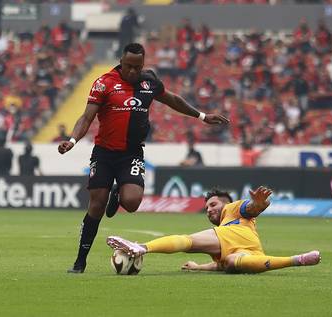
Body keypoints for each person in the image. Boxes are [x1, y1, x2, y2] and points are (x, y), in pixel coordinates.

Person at [58, 43, 229, 273]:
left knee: (131, 203)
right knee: (96, 205)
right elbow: (87, 117)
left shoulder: (149, 83)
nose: (132, 71)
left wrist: (202, 116)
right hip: (105, 152)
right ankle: (80, 262)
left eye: (137, 67)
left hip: (132, 153)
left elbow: (172, 99)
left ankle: (118, 192)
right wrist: (73, 140)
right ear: (121, 61)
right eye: (128, 66)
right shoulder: (104, 83)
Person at [106, 186, 321, 274]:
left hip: (238, 243)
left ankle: (141, 247)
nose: (209, 210)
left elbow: (253, 207)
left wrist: (260, 204)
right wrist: (199, 267)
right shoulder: (223, 232)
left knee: (188, 241)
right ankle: (297, 260)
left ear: (226, 203)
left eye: (213, 205)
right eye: (207, 207)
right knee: (230, 264)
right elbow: (217, 265)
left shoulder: (232, 208)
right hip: (249, 252)